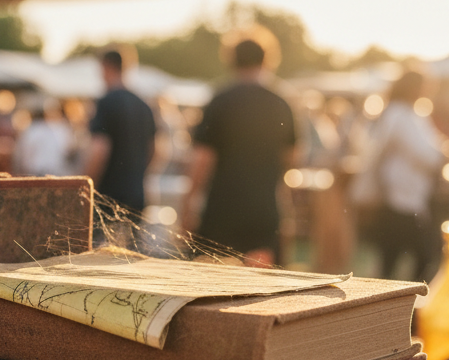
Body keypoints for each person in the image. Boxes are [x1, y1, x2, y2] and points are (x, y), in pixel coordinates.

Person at [181, 27, 296, 265]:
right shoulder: (280, 103)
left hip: (223, 209)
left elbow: (202, 160)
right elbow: (291, 160)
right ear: (267, 59)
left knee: (213, 283)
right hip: (265, 208)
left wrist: (187, 205)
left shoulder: (220, 101)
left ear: (231, 59)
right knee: (267, 287)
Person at [352, 68, 444, 281]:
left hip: (405, 200)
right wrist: (444, 154)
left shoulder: (408, 114)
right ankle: (410, 305)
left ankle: (394, 306)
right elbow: (428, 155)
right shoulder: (400, 115)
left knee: (390, 262)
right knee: (424, 256)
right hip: (400, 201)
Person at [85, 49, 156, 217]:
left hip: (108, 198)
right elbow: (155, 150)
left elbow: (99, 150)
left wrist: (85, 186)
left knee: (102, 243)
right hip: (136, 195)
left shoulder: (106, 102)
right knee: (132, 244)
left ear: (106, 67)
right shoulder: (143, 105)